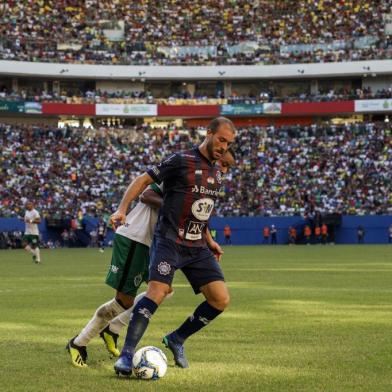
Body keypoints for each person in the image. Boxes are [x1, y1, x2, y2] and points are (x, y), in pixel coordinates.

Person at [66, 147, 236, 369]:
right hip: (137, 237)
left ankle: (113, 329)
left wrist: (208, 239)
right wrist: (173, 204)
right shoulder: (185, 171)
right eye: (223, 164)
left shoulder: (207, 181)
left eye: (228, 168)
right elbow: (147, 194)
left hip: (159, 242)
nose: (224, 170)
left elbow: (195, 214)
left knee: (164, 291)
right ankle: (79, 342)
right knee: (124, 301)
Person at [112, 117, 236, 376]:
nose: (224, 146)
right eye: (222, 139)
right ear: (209, 133)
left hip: (197, 246)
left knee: (220, 299)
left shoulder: (217, 172)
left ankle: (177, 338)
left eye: (229, 143)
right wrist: (122, 209)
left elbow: (200, 210)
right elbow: (143, 181)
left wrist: (210, 239)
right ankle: (125, 355)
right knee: (156, 292)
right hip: (170, 240)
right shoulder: (181, 160)